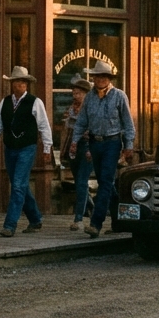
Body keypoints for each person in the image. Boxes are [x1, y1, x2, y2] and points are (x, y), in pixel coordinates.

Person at [0, 66, 52, 237]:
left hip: (27, 147)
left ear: (27, 84)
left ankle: (10, 225)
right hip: (10, 147)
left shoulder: (35, 102)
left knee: (18, 186)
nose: (19, 85)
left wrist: (47, 147)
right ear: (11, 84)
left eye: (22, 82)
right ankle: (35, 219)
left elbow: (44, 126)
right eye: (16, 82)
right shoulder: (5, 102)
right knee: (19, 185)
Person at [71, 61, 135, 238]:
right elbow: (81, 121)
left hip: (112, 142)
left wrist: (129, 146)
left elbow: (128, 124)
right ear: (93, 78)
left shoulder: (119, 96)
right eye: (97, 76)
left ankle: (96, 223)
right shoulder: (90, 98)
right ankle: (118, 221)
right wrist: (75, 141)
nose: (100, 79)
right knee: (107, 184)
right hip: (94, 142)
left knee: (105, 182)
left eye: (104, 76)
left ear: (109, 78)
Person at [62, 74, 92, 230]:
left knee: (81, 181)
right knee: (79, 181)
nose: (76, 96)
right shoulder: (71, 109)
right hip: (73, 146)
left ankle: (79, 218)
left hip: (88, 146)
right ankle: (91, 207)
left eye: (79, 93)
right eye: (74, 93)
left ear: (86, 94)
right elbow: (66, 130)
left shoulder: (91, 108)